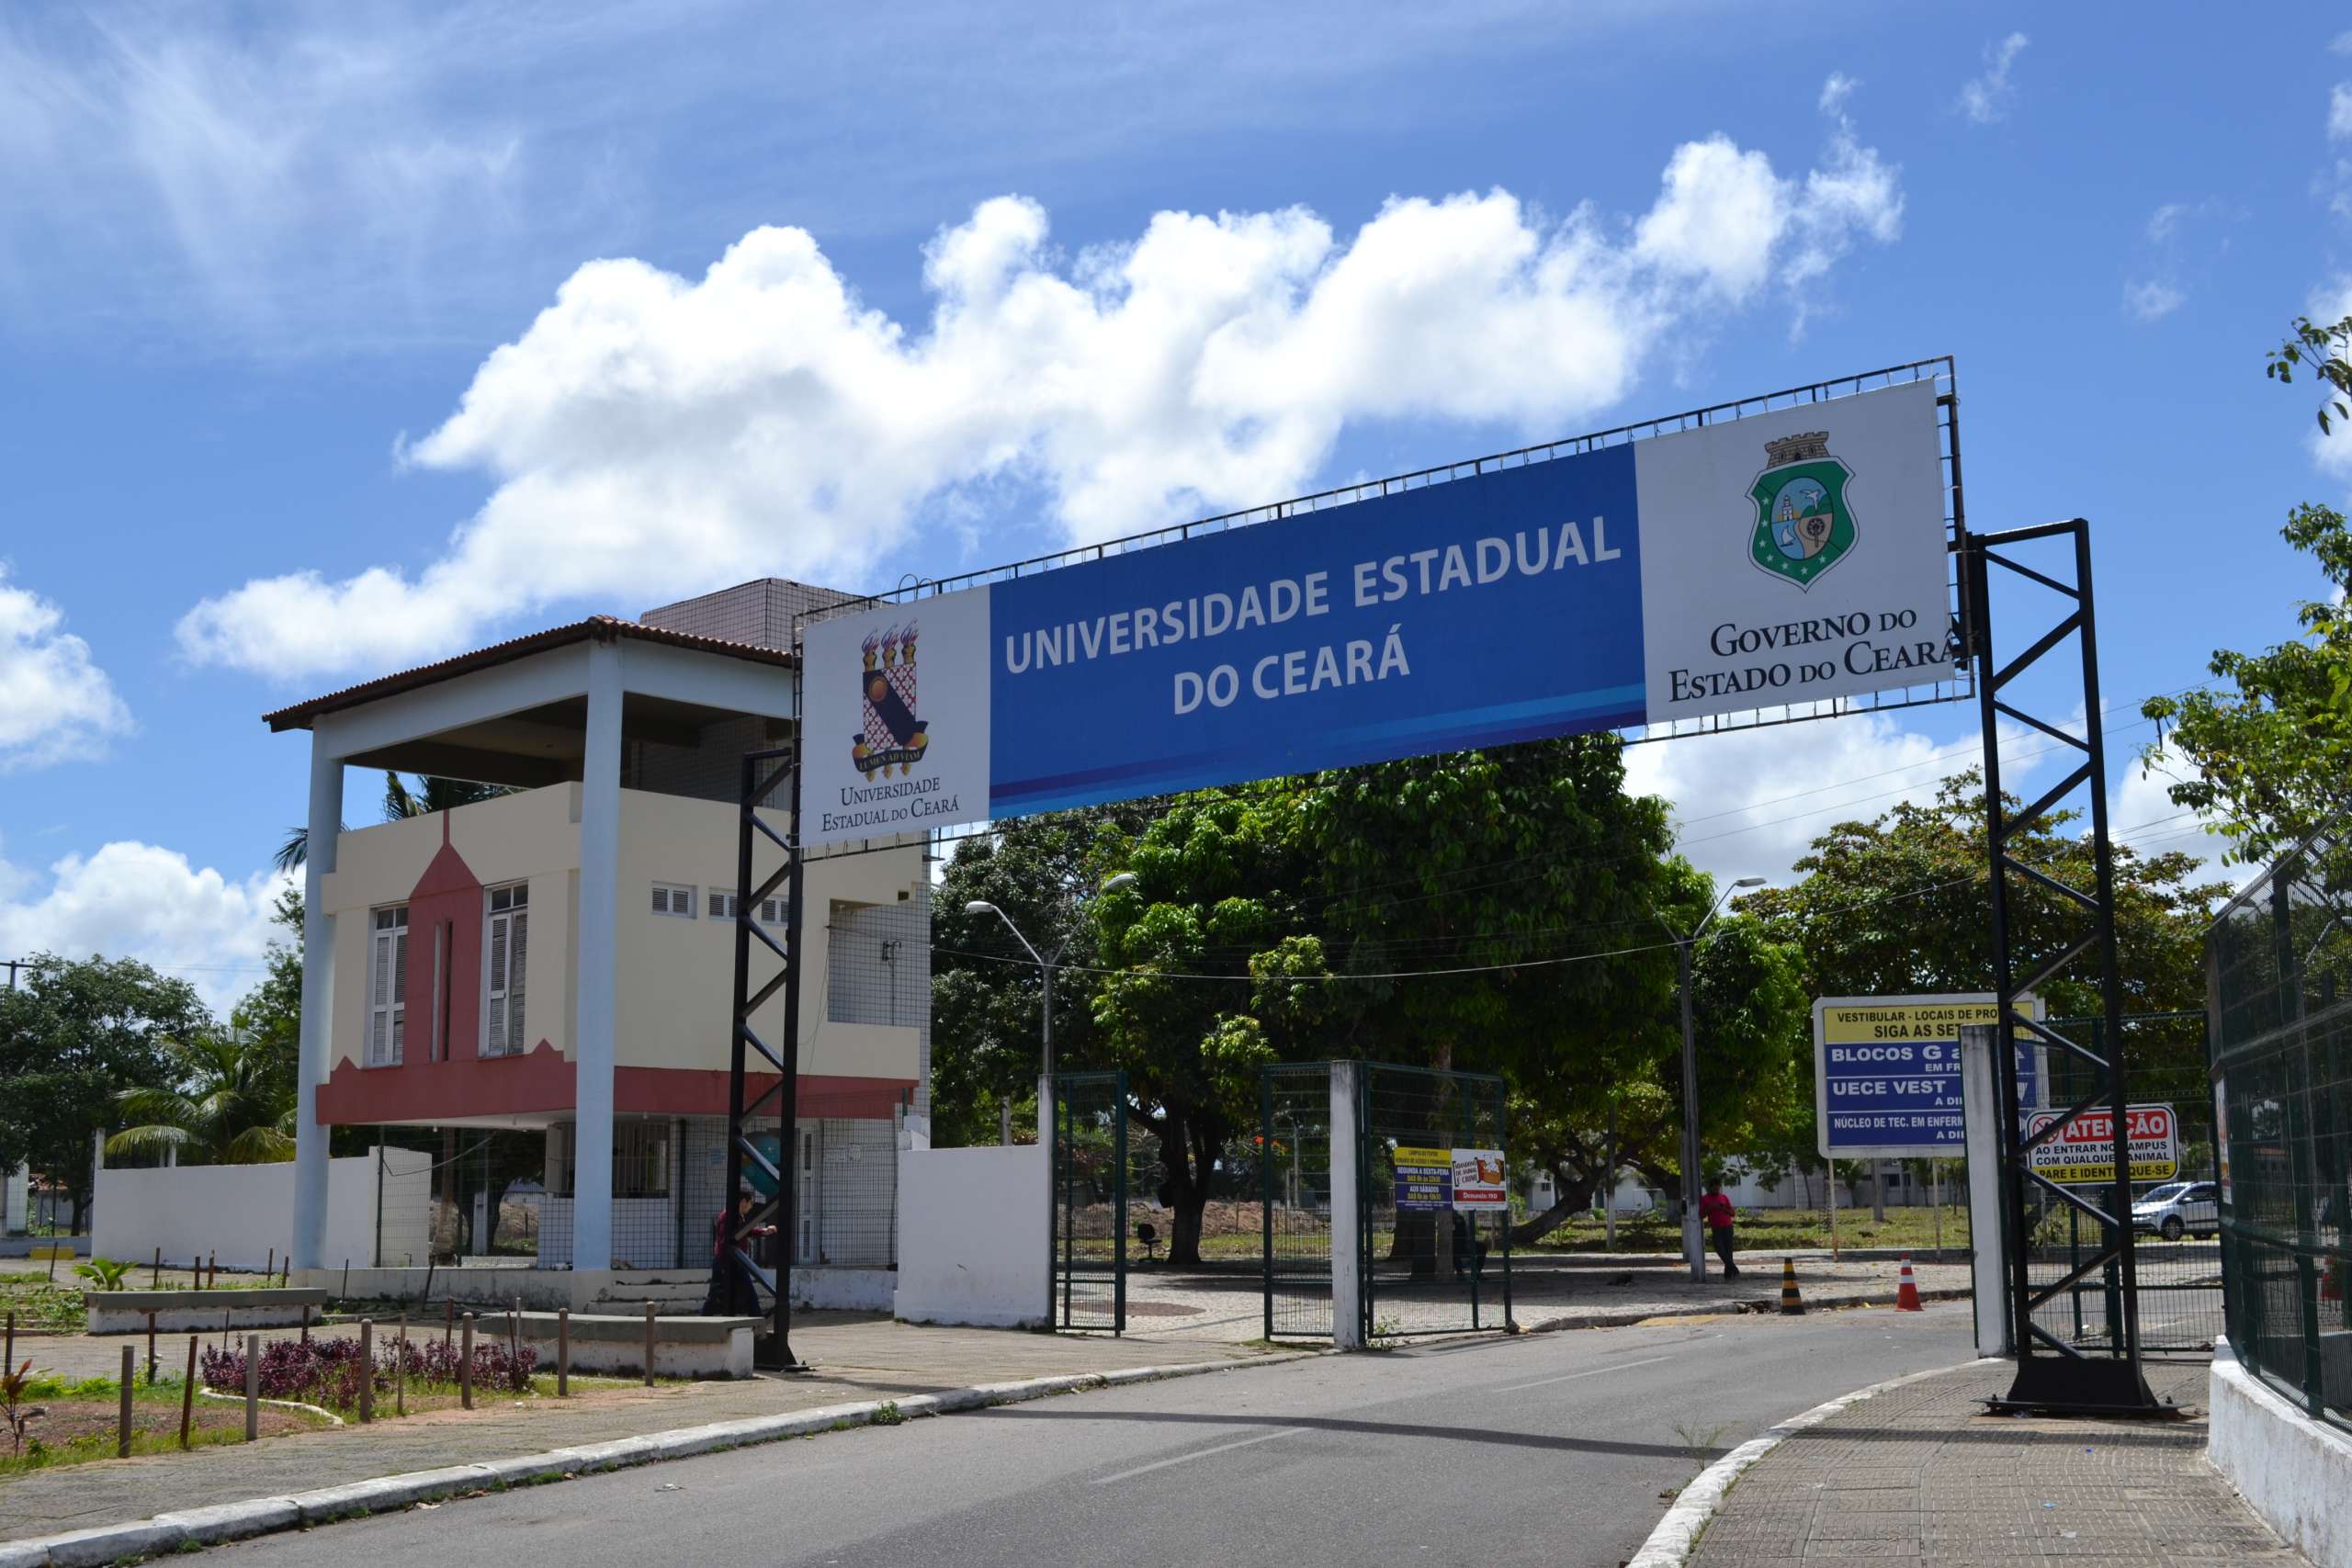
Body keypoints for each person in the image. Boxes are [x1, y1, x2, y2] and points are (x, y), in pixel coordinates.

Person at [702, 1189, 760, 1315]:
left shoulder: (737, 1216)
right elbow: (724, 1243)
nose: (751, 1207)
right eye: (751, 1203)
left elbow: (745, 1232)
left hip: (732, 1262)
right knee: (748, 1294)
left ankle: (704, 1319)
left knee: (718, 1295)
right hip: (729, 1262)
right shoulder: (728, 1216)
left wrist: (763, 1231)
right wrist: (727, 1265)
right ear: (744, 1202)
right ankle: (757, 1321)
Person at [1698, 1179, 1738, 1278]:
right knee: (1720, 1249)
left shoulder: (1724, 1197)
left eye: (1718, 1188)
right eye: (1714, 1188)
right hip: (1716, 1228)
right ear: (1710, 1188)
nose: (1716, 1190)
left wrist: (1722, 1208)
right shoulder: (1705, 1199)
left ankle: (1728, 1274)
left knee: (1728, 1251)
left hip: (1727, 1227)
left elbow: (1732, 1213)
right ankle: (1734, 1268)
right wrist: (1710, 1208)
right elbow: (1701, 1215)